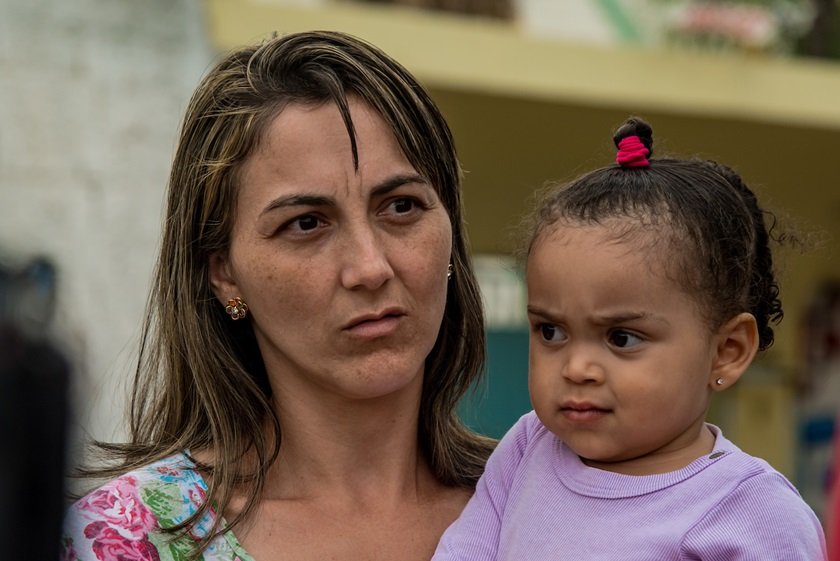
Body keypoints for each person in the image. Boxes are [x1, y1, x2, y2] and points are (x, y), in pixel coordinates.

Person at [61, 30, 495, 561]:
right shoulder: (121, 542)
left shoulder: (556, 501)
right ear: (224, 274)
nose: (370, 267)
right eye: (306, 223)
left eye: (401, 207)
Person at [432, 117, 828, 560]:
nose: (576, 368)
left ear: (726, 352)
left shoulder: (751, 512)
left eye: (621, 338)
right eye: (551, 331)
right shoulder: (528, 450)